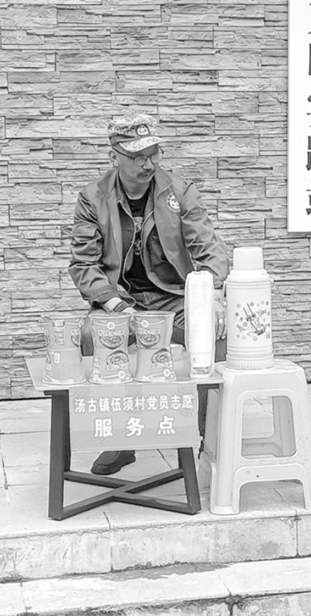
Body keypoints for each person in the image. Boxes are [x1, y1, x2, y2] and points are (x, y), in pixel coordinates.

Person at [69, 113, 229, 475]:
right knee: (92, 335)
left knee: (216, 332)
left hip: (175, 297)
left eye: (154, 154)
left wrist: (211, 293)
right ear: (114, 157)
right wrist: (116, 305)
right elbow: (83, 264)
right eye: (138, 157)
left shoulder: (179, 191)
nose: (149, 164)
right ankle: (119, 441)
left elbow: (208, 246)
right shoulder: (92, 198)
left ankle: (205, 438)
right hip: (120, 298)